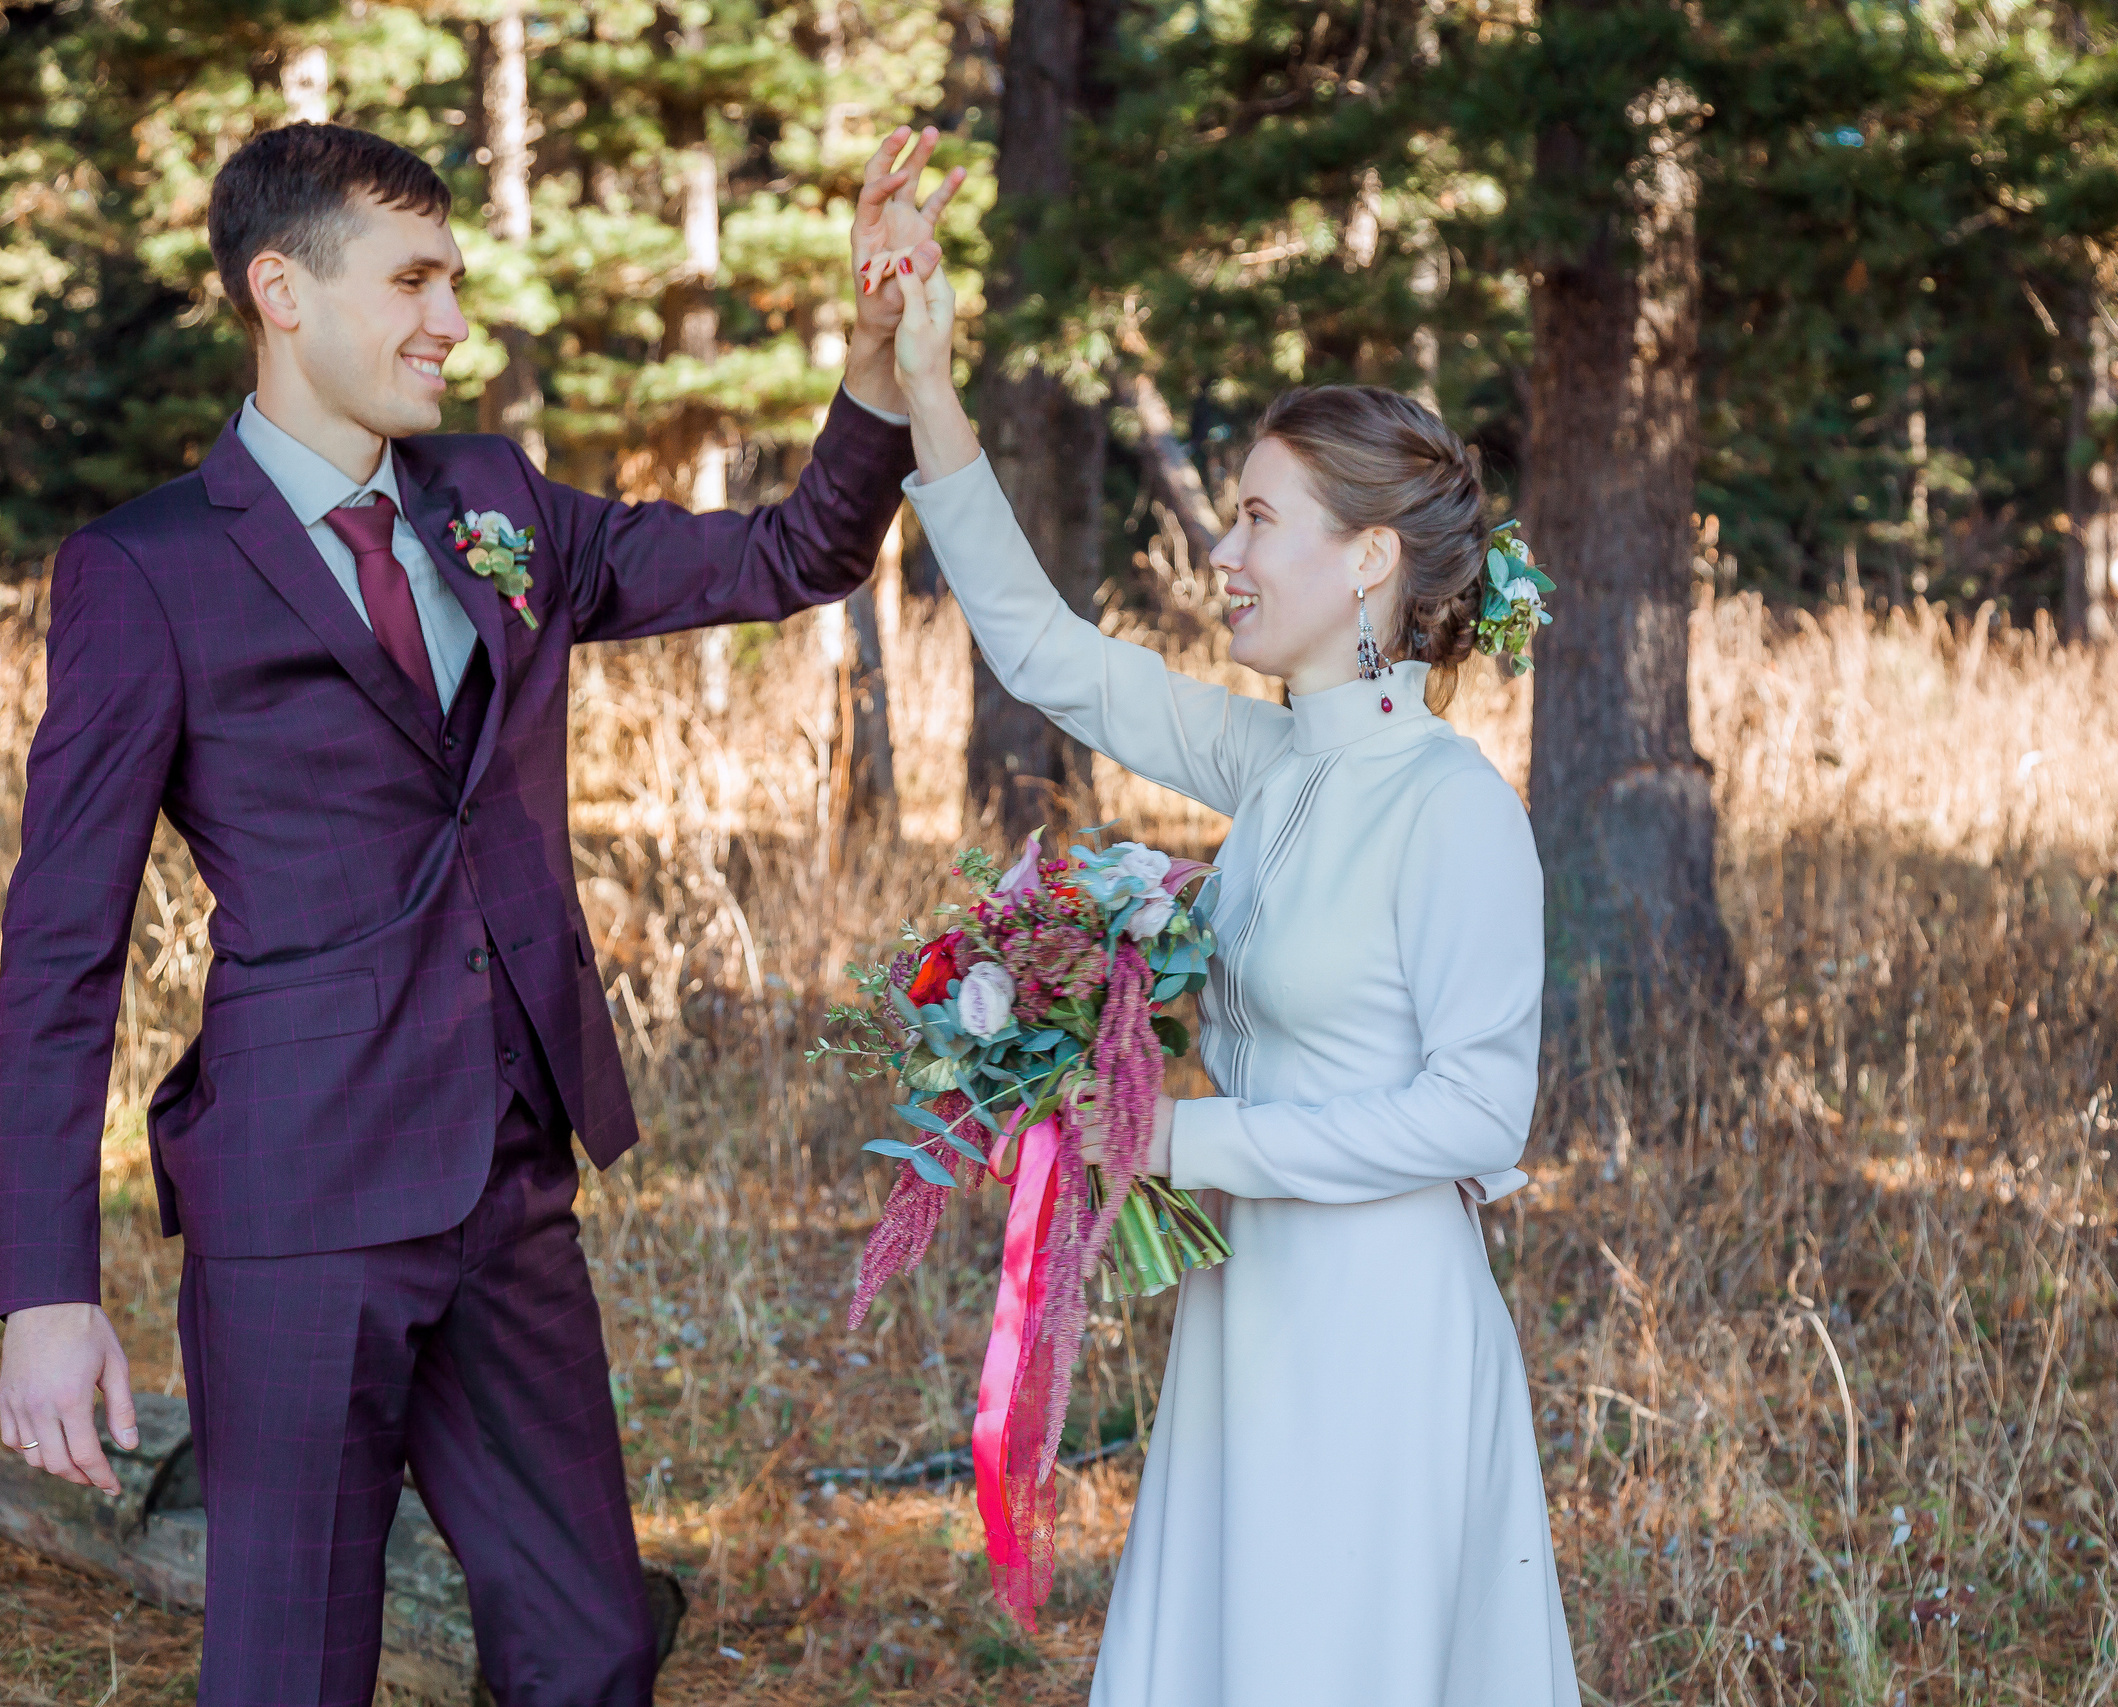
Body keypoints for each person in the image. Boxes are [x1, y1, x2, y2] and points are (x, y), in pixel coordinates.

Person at [0, 120, 955, 1703]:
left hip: (512, 1185)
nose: (453, 320)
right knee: (291, 1671)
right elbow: (57, 957)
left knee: (589, 1654)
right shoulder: (145, 571)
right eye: (416, 281)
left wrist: (867, 362)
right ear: (281, 291)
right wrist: (41, 1291)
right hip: (295, 1208)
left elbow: (799, 554)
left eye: (457, 279)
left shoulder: (496, 502)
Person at [884, 250, 1578, 1703]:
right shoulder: (1276, 766)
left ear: (1372, 557)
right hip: (1245, 1306)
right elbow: (1049, 656)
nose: (1226, 552)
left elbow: (1479, 1119)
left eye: (1261, 518)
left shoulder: (1455, 808)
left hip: (1380, 1335)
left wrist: (1173, 1137)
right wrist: (927, 393)